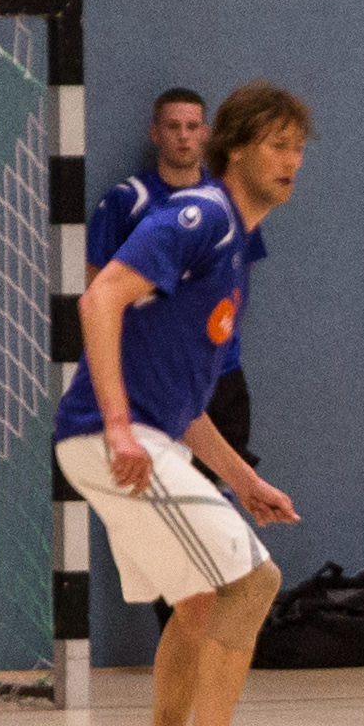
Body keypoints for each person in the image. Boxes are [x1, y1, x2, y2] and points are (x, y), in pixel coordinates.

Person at [54, 81, 307, 726]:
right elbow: (99, 298)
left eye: (298, 148)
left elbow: (187, 403)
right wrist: (120, 427)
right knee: (254, 581)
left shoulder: (236, 252)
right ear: (237, 149)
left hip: (142, 437)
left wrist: (244, 479)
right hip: (115, 438)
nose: (291, 160)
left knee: (198, 602)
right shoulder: (201, 216)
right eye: (276, 144)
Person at [90, 86, 256, 461]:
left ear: (206, 133)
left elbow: (237, 281)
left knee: (226, 484)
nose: (183, 136)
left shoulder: (231, 205)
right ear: (155, 133)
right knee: (154, 484)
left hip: (218, 372)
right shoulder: (127, 201)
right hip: (154, 378)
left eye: (192, 127)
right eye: (172, 126)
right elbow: (97, 287)